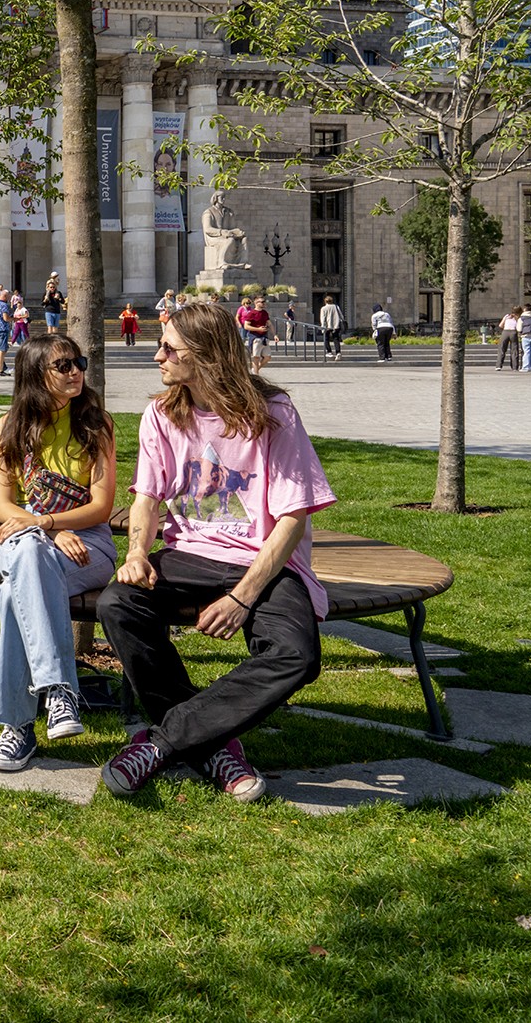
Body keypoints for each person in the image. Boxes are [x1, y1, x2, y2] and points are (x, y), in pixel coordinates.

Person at [95, 299, 336, 802]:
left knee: (297, 655)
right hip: (189, 553)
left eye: (169, 349)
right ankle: (214, 748)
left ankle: (163, 743)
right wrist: (137, 553)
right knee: (118, 603)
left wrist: (243, 598)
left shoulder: (274, 414)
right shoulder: (161, 414)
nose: (157, 357)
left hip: (264, 561)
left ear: (204, 356)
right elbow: (146, 498)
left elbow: (292, 519)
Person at [0, 335, 120, 771]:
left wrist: (48, 525)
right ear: (36, 373)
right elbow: (3, 505)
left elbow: (100, 506)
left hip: (88, 543)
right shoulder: (9, 427)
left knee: (11, 596)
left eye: (78, 362)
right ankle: (60, 690)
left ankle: (17, 729)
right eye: (63, 365)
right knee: (26, 556)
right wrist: (45, 531)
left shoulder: (97, 426)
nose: (76, 370)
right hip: (27, 539)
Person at [238, 293, 271, 374]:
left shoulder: (265, 313)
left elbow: (269, 323)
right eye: (262, 302)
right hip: (255, 337)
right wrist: (258, 329)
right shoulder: (251, 313)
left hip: (264, 338)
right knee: (256, 357)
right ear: (256, 303)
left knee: (267, 357)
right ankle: (256, 375)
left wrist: (275, 334)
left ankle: (255, 369)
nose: (264, 303)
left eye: (264, 301)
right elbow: (246, 326)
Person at [318, 296, 345, 362]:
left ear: (325, 301)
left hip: (327, 326)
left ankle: (329, 351)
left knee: (326, 338)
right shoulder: (336, 307)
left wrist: (323, 327)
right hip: (336, 325)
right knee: (336, 339)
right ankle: (338, 352)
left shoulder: (323, 308)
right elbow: (341, 316)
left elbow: (323, 318)